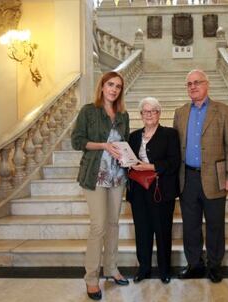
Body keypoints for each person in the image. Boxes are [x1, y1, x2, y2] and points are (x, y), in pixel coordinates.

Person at [173, 69, 228, 283]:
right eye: (189, 83)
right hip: (188, 178)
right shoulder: (180, 112)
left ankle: (214, 265)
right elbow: (176, 149)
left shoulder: (223, 111)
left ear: (207, 84)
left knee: (215, 224)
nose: (193, 86)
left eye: (197, 82)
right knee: (190, 225)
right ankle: (194, 264)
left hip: (216, 178)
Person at [71, 71, 130, 301]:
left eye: (118, 86)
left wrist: (128, 158)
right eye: (110, 85)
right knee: (98, 226)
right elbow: (77, 141)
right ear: (102, 87)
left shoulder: (123, 114)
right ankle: (92, 278)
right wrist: (104, 146)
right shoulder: (88, 111)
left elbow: (123, 143)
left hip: (117, 176)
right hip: (95, 175)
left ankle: (112, 268)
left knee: (113, 224)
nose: (114, 89)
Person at [127, 97, 180, 284]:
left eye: (153, 111)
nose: (149, 114)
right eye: (145, 111)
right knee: (142, 231)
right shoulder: (133, 137)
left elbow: (174, 163)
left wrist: (150, 167)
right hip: (138, 191)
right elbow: (129, 163)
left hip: (161, 191)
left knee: (163, 231)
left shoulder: (170, 134)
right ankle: (144, 268)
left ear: (159, 113)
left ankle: (165, 270)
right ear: (141, 115)